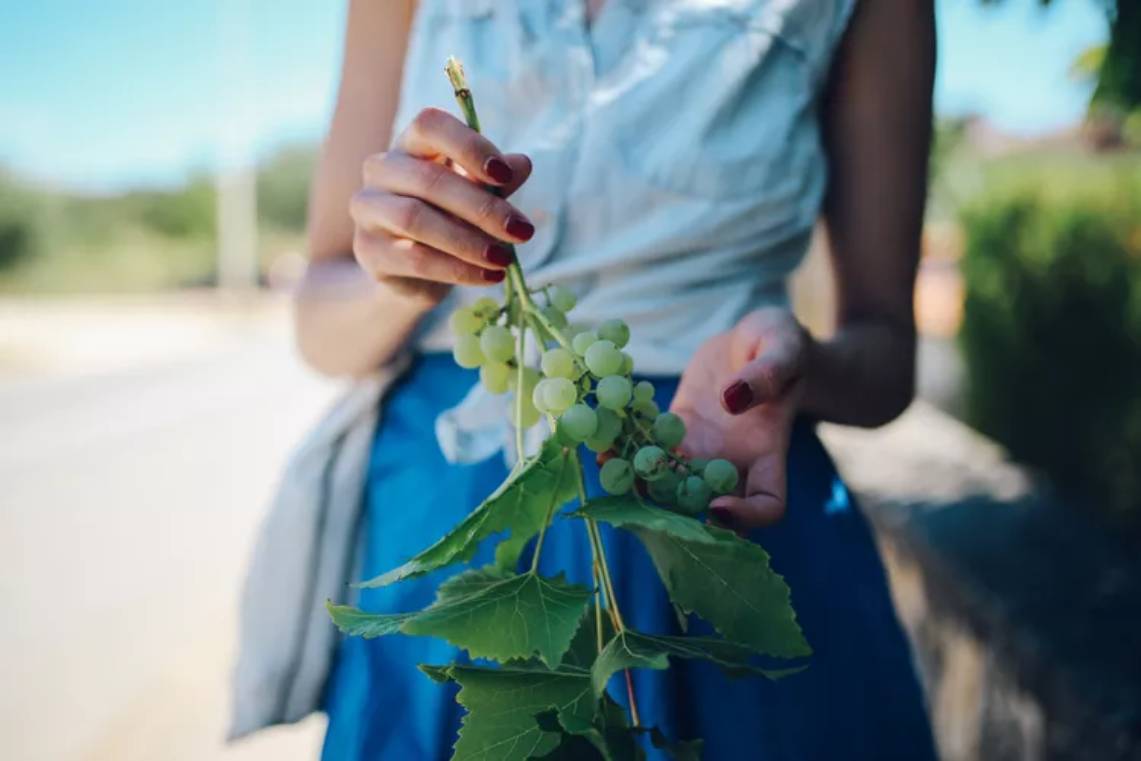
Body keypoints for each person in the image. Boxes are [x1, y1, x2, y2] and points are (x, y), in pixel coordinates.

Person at [295, 0, 938, 758]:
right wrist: (397, 271)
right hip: (450, 511)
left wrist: (794, 363)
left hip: (713, 488)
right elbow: (317, 323)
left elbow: (886, 357)